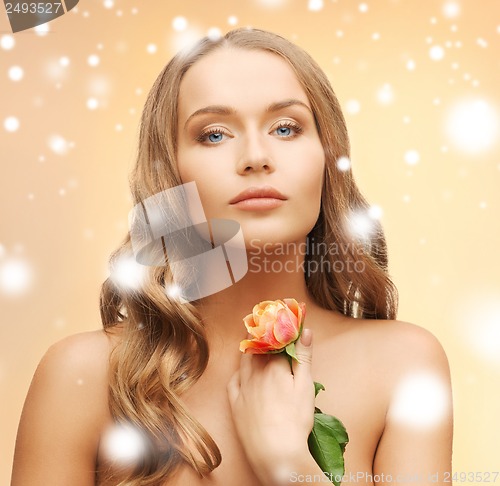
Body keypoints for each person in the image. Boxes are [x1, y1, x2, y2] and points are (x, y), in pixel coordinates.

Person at [11, 28, 453, 485]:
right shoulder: (83, 377)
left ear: (327, 155)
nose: (256, 157)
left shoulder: (403, 365)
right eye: (214, 134)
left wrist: (288, 465)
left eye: (286, 128)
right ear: (169, 171)